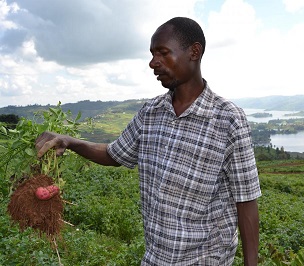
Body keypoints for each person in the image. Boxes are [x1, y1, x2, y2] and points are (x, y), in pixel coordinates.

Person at [36, 17, 261, 265]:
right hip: (155, 258)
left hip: (206, 259)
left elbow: (246, 200)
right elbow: (113, 154)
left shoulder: (228, 119)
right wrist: (70, 141)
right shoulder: (151, 112)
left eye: (163, 53)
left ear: (194, 52)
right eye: (152, 54)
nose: (153, 63)